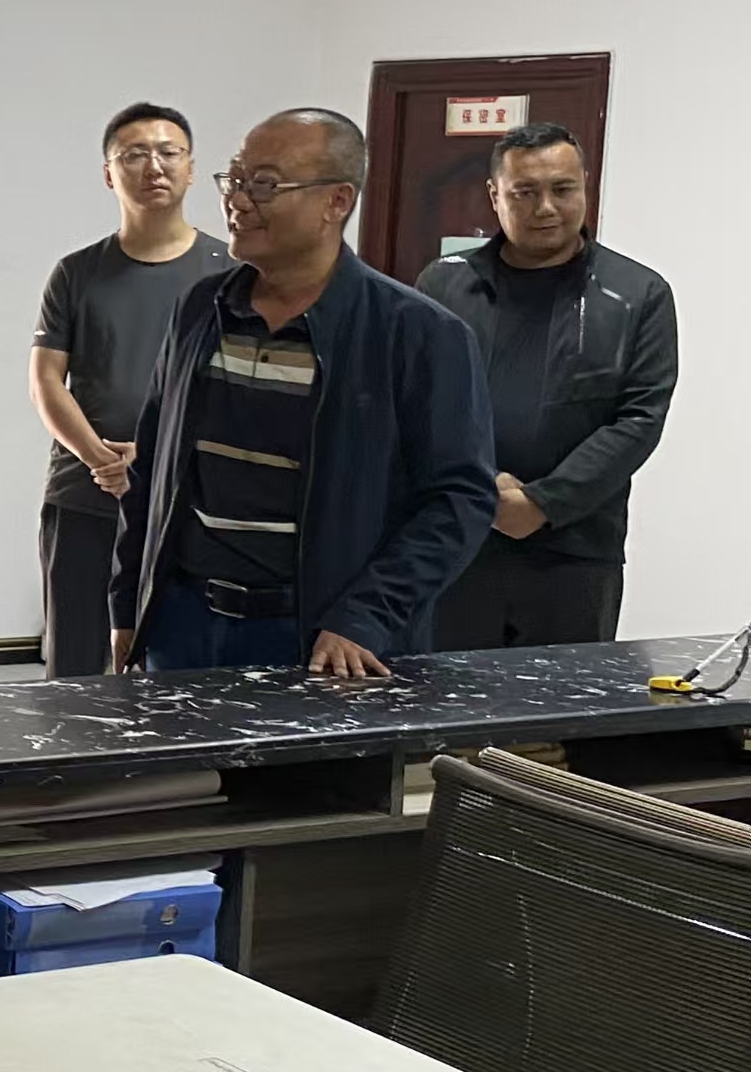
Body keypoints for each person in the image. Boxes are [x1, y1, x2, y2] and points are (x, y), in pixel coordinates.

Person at [110, 108, 497, 679]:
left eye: (265, 185)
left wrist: (366, 617)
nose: (238, 201)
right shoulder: (200, 309)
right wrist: (129, 605)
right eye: (236, 179)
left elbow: (459, 499)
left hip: (322, 639)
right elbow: (151, 469)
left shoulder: (417, 333)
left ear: (336, 202)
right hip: (183, 625)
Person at [418, 122, 679, 649]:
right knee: (443, 694)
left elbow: (638, 420)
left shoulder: (639, 294)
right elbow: (418, 401)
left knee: (563, 696)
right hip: (456, 538)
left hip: (575, 550)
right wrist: (487, 490)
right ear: (494, 195)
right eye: (524, 192)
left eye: (562, 189)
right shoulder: (443, 283)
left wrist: (542, 504)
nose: (546, 208)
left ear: (585, 186)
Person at [30, 103, 232, 678]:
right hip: (84, 492)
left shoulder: (229, 271)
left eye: (169, 152)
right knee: (75, 660)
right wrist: (101, 460)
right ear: (108, 173)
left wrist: (152, 462)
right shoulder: (76, 272)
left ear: (192, 169)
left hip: (189, 496)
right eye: (135, 154)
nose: (154, 166)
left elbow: (233, 391)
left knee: (178, 662)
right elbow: (46, 380)